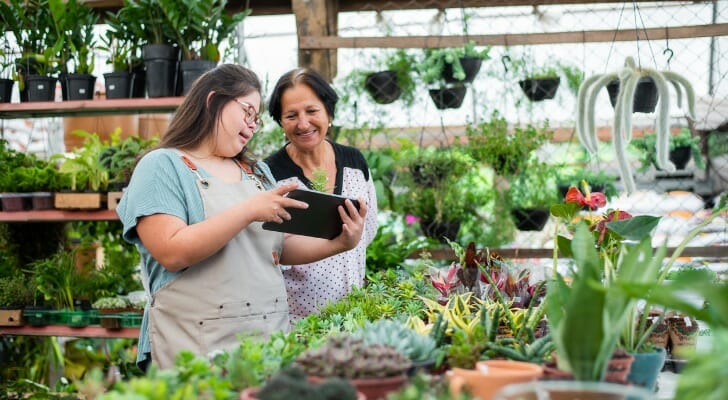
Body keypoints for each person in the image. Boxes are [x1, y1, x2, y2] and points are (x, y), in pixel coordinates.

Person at [116, 64, 366, 370]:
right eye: (247, 111)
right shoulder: (162, 166)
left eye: (256, 119)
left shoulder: (256, 173)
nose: (251, 125)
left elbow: (278, 248)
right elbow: (172, 251)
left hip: (268, 345)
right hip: (195, 349)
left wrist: (340, 243)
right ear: (213, 101)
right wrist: (249, 210)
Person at [265, 68, 379, 321]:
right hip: (297, 322)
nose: (303, 124)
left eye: (312, 111)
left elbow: (368, 229)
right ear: (280, 122)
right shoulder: (271, 175)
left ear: (328, 112)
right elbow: (271, 251)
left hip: (355, 314)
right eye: (291, 115)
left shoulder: (355, 162)